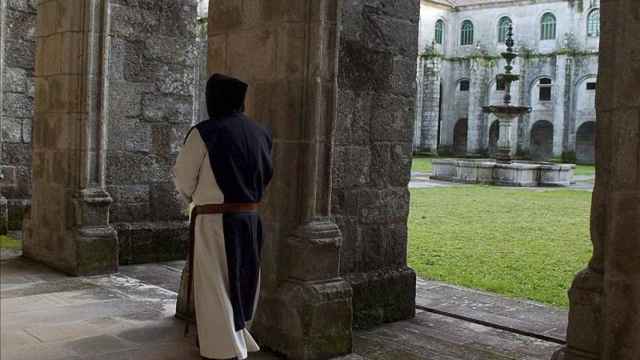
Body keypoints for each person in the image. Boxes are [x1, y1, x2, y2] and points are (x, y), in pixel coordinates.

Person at [173, 73, 273, 360]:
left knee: (214, 282)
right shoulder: (261, 132)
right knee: (244, 279)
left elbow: (183, 178)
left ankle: (223, 349)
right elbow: (265, 175)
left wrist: (196, 196)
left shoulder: (205, 132)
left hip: (215, 219)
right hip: (251, 219)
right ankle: (240, 337)